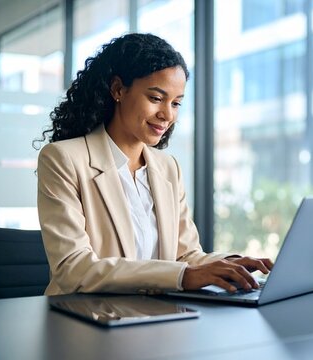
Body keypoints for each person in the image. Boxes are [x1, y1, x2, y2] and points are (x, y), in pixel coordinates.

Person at [36, 33, 272, 296]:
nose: (168, 115)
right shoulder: (62, 159)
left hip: (154, 317)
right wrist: (184, 276)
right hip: (85, 321)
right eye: (156, 98)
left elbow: (186, 255)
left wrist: (229, 264)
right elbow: (73, 268)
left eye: (176, 103)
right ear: (118, 89)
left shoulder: (168, 167)